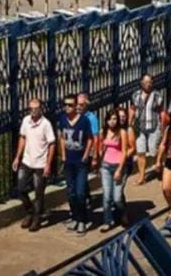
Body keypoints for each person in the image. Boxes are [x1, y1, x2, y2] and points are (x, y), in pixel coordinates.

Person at [11, 97, 56, 231]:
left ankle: (36, 218)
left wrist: (48, 164)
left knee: (38, 192)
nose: (34, 111)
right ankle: (29, 211)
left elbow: (51, 144)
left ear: (41, 109)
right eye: (31, 108)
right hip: (27, 161)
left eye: (36, 108)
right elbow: (22, 138)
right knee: (20, 189)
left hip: (40, 164)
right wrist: (17, 157)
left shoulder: (46, 124)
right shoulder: (26, 121)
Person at [58, 95, 94, 235]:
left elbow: (90, 139)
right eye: (65, 105)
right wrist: (63, 156)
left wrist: (86, 155)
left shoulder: (84, 121)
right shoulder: (62, 119)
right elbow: (61, 137)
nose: (67, 107)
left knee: (80, 192)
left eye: (70, 105)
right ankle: (74, 216)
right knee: (71, 192)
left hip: (80, 162)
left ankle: (82, 220)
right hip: (69, 161)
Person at [98, 110, 130, 232]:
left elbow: (124, 152)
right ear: (106, 120)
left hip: (118, 166)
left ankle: (123, 212)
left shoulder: (122, 132)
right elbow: (101, 147)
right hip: (105, 166)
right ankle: (107, 221)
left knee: (117, 198)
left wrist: (120, 169)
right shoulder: (104, 132)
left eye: (115, 119)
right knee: (106, 196)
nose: (112, 121)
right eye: (110, 119)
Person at [128, 74, 163, 185]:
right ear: (141, 83)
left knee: (153, 150)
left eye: (150, 82)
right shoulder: (135, 95)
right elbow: (132, 109)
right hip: (139, 128)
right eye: (146, 82)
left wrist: (163, 123)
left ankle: (159, 164)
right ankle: (142, 176)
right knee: (140, 152)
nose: (148, 84)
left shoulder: (157, 95)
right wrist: (129, 123)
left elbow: (161, 110)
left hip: (153, 126)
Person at [77, 93, 99, 214]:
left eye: (81, 105)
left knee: (82, 176)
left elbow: (96, 137)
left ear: (86, 105)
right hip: (76, 151)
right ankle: (86, 196)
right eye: (77, 104)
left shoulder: (91, 118)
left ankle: (84, 199)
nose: (78, 107)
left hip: (87, 152)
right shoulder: (74, 116)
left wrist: (95, 155)